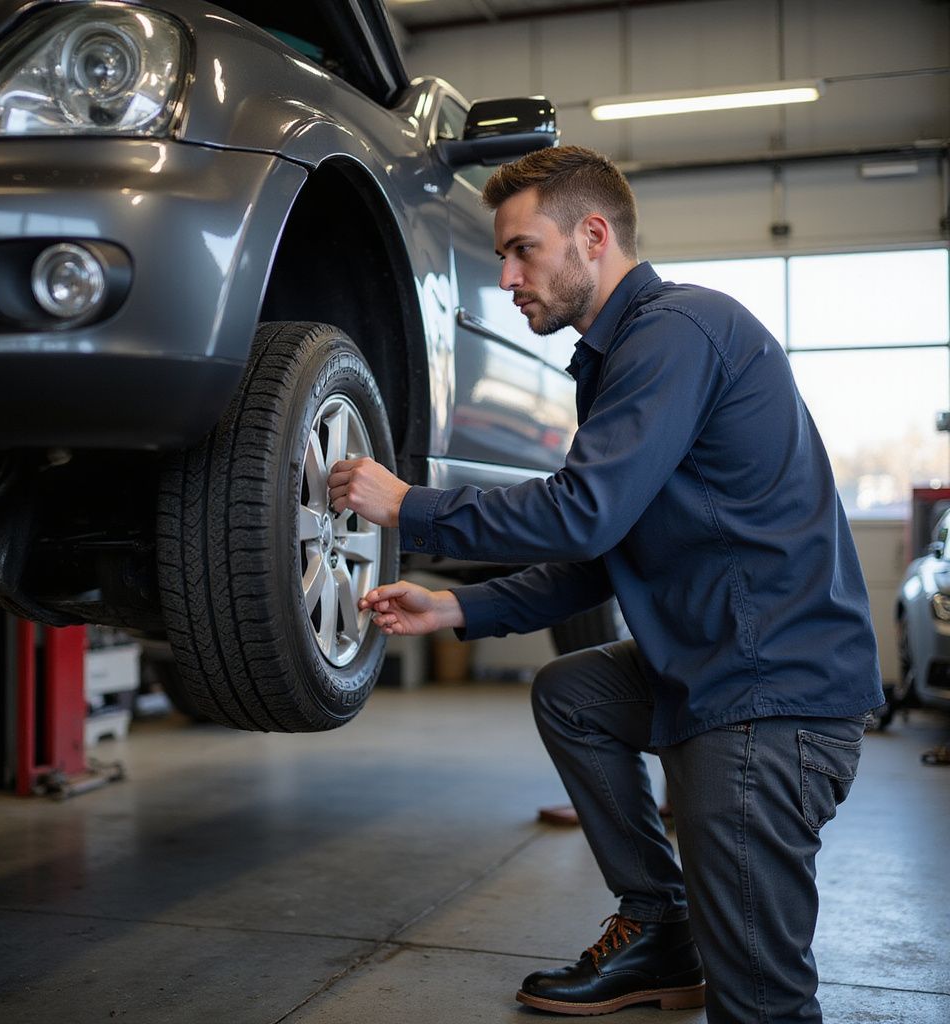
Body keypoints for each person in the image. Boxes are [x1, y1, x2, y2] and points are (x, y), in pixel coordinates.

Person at [326, 146, 882, 1023]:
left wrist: (409, 507)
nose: (506, 277)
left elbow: (582, 513)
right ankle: (661, 929)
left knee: (763, 1004)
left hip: (772, 701)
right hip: (718, 668)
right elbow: (602, 552)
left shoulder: (674, 331)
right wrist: (459, 604)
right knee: (575, 693)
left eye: (522, 250)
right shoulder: (622, 355)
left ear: (593, 235)